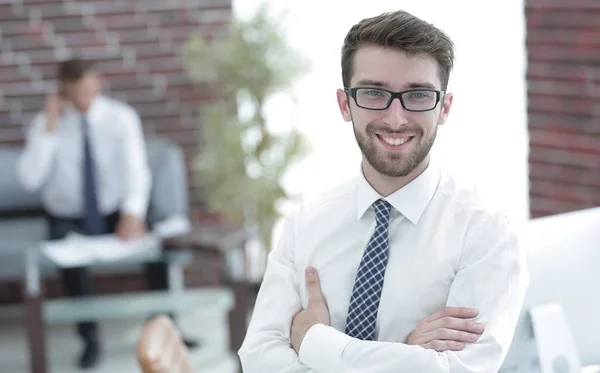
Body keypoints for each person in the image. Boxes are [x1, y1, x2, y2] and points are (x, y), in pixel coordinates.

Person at [238, 10, 529, 373]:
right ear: (345, 104)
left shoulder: (486, 233)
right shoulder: (305, 224)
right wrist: (404, 354)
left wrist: (314, 341)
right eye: (374, 93)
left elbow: (462, 370)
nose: (395, 118)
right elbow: (259, 358)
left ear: (444, 108)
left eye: (418, 95)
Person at [17, 58, 199, 370]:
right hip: (68, 216)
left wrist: (132, 212)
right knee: (69, 262)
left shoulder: (120, 118)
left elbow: (136, 169)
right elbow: (29, 179)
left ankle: (167, 327)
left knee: (158, 242)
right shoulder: (46, 124)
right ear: (63, 90)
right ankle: (89, 340)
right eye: (76, 93)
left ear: (97, 83)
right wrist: (49, 128)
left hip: (114, 211)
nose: (84, 100)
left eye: (88, 90)